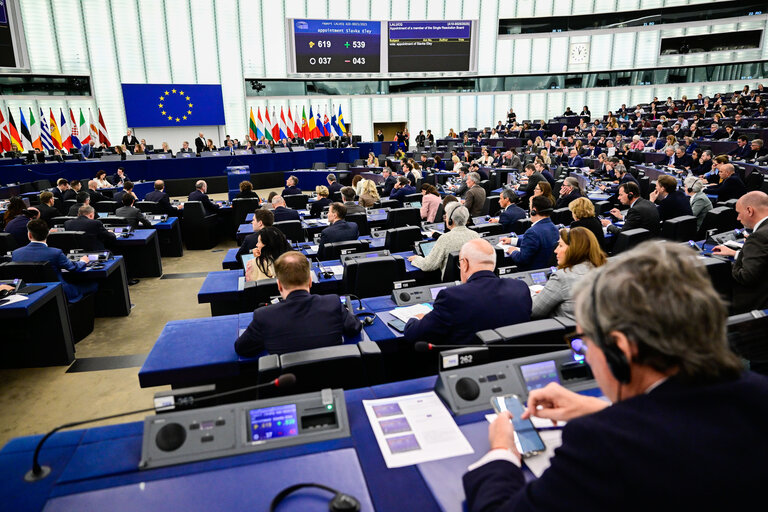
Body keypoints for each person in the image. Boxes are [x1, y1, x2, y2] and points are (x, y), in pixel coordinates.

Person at [463, 241, 766, 512]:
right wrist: (605, 410)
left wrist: (502, 451)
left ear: (620, 349)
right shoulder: (757, 393)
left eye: (583, 343)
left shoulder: (602, 443)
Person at [404, 239, 531, 345]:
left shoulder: (451, 297)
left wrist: (415, 318)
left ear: (464, 263)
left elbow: (414, 335)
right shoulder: (520, 288)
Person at [234, 251, 362, 356]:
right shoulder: (333, 302)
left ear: (279, 285)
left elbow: (242, 348)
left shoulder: (264, 316)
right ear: (310, 281)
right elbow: (355, 327)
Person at [11, 219, 98, 302]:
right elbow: (73, 267)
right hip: (60, 292)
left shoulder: (16, 253)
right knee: (94, 284)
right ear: (48, 234)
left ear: (29, 235)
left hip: (30, 294)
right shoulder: (55, 252)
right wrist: (83, 261)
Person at [532, 227, 606, 319]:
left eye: (560, 246)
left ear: (574, 249)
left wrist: (537, 296)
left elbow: (533, 311)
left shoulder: (561, 277)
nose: (556, 250)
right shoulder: (607, 270)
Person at [712, 191, 768, 313]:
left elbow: (746, 277)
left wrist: (726, 266)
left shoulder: (758, 237)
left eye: (738, 213)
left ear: (749, 210)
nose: (738, 218)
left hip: (753, 304)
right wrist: (738, 253)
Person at [409, 203, 480, 277]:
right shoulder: (475, 236)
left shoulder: (445, 239)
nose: (445, 219)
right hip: (471, 280)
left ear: (450, 220)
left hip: (451, 285)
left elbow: (428, 265)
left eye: (446, 216)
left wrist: (416, 259)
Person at [502, 196, 559, 270]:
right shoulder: (554, 228)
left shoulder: (532, 232)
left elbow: (522, 259)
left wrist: (513, 251)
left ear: (534, 211)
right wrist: (512, 240)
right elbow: (536, 242)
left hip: (532, 269)